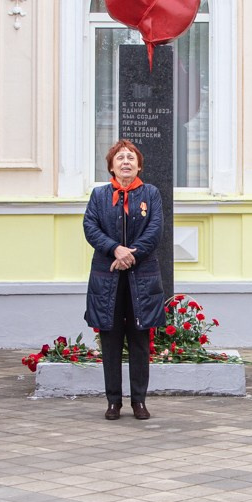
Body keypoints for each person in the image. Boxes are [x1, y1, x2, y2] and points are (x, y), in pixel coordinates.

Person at [85, 139, 166, 419]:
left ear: (139, 165)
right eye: (120, 158)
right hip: (107, 279)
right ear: (111, 166)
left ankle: (139, 401)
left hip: (141, 277)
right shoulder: (99, 196)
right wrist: (114, 249)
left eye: (131, 158)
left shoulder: (151, 193)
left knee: (140, 340)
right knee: (110, 340)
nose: (126, 162)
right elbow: (90, 227)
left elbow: (155, 229)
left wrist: (131, 254)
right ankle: (113, 402)